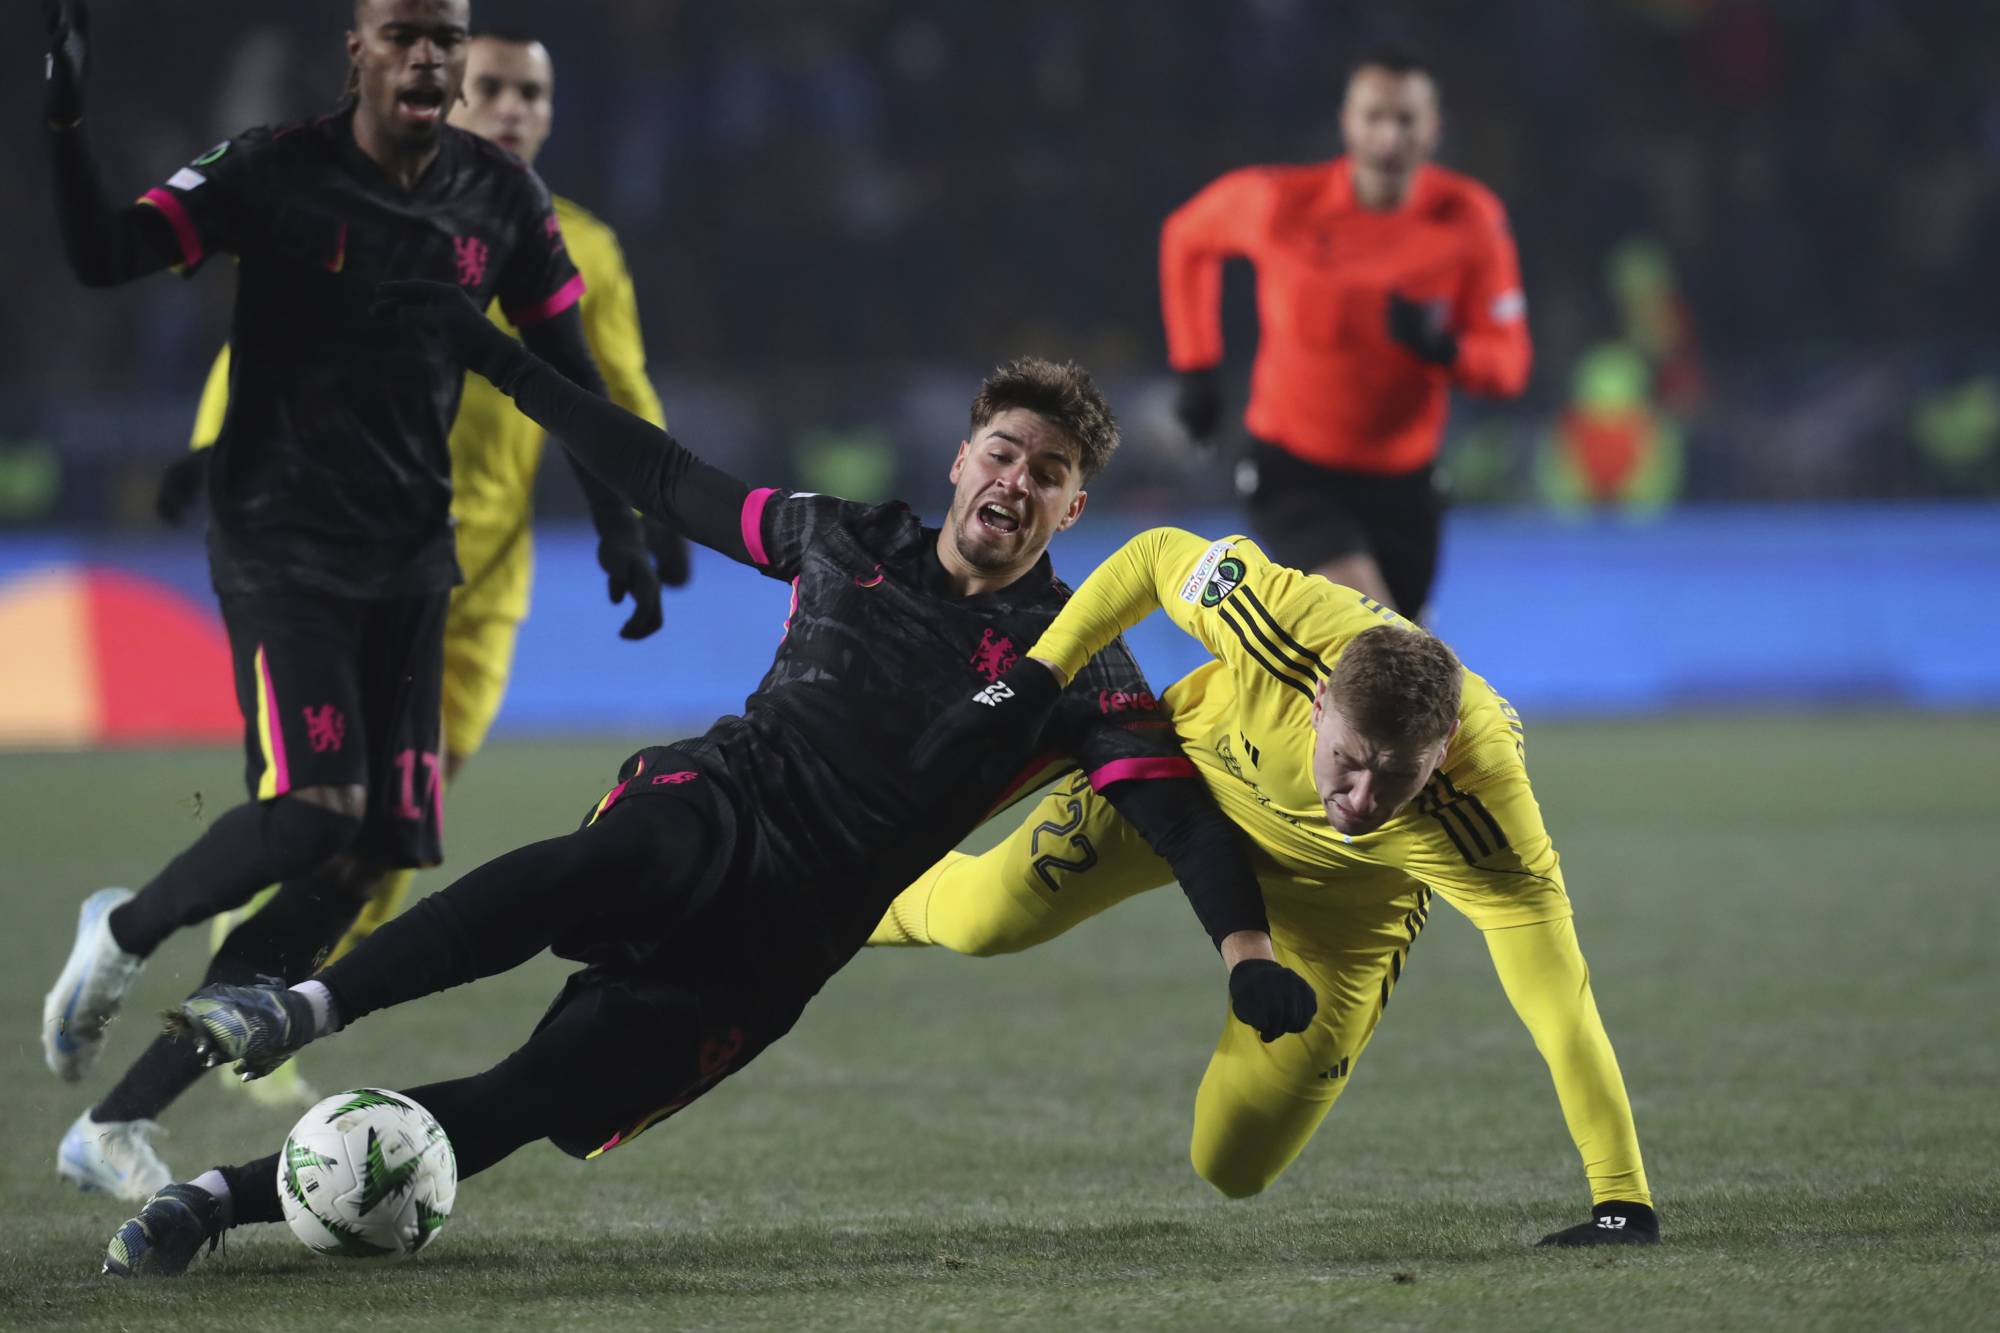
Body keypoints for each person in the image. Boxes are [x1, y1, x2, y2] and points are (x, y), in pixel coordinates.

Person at [103, 326, 1318, 1277]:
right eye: (1002, 451)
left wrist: (1243, 951)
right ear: (961, 458)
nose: (1016, 478)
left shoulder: (1080, 662)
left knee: (535, 1092)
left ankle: (215, 1201)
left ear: (1071, 513)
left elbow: (1174, 814)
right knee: (622, 858)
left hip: (783, 945)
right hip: (726, 795)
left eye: (1048, 474)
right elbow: (666, 475)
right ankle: (303, 1004)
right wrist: (506, 366)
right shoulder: (840, 537)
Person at [39, 0, 664, 1202]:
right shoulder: (273, 168)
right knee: (317, 808)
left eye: (446, 34)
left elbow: (569, 373)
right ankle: (121, 933)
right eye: (406, 34)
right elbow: (103, 255)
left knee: (378, 849)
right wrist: (66, 122)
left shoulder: (504, 203)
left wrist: (622, 524)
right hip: (284, 545)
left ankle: (118, 1121)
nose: (427, 55)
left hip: (414, 559)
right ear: (360, 51)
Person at [869, 527, 1658, 1247]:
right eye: (1348, 761)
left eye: (1397, 777)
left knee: (1232, 1162)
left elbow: (1559, 999)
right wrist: (1047, 670)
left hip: (1340, 915)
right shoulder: (1278, 618)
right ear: (1318, 704)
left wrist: (1621, 1199)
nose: (1359, 799)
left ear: (1444, 745)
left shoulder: (1485, 811)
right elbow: (1152, 557)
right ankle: (821, 907)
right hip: (1185, 783)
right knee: (983, 921)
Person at [169, 28, 690, 1112]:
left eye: (530, 92)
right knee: (328, 803)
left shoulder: (575, 242)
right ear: (449, 94)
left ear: (550, 112)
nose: (508, 106)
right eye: (490, 85)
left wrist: (654, 508)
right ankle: (246, 984)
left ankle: (283, 994)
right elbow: (268, 349)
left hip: (485, 589)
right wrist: (219, 455)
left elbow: (615, 385)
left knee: (404, 822)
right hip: (345, 553)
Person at [1161, 49, 1531, 620]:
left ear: (1433, 129)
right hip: (1294, 470)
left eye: (1405, 120)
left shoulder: (1469, 220)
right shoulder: (1283, 204)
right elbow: (1186, 238)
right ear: (1346, 122)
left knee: (1410, 666)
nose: (1388, 137)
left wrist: (1445, 350)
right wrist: (1196, 367)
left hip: (1405, 484)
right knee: (1377, 634)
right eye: (1374, 117)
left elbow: (1509, 364)